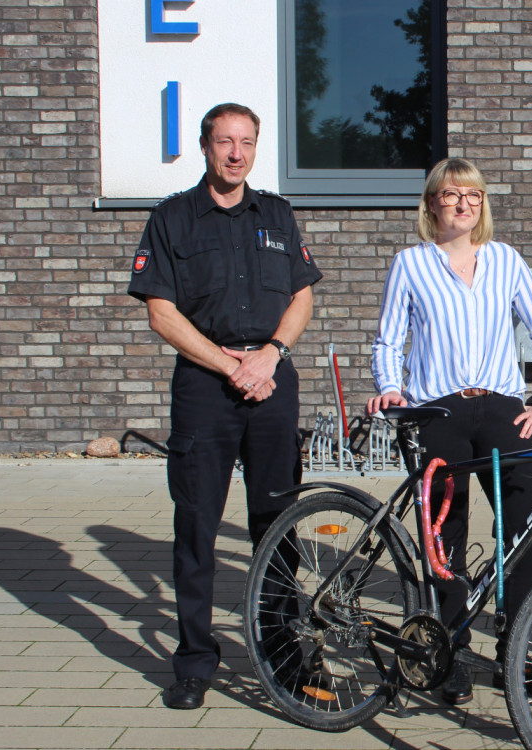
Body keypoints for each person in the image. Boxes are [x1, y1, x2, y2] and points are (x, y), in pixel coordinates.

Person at [127, 103, 322, 710]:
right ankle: (194, 661)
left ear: (256, 147)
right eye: (224, 141)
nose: (236, 153)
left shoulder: (278, 214)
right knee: (196, 528)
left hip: (271, 385)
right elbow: (161, 312)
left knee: (277, 525)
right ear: (205, 146)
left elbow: (302, 298)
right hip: (205, 389)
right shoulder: (172, 218)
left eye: (246, 142)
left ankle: (282, 651)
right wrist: (230, 364)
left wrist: (269, 356)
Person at [368, 157, 532, 706]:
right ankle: (448, 651)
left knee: (527, 524)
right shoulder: (411, 264)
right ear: (432, 203)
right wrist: (390, 387)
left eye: (473, 195)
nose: (463, 204)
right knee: (445, 532)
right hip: (438, 412)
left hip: (503, 408)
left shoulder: (504, 259)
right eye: (452, 194)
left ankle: (515, 653)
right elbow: (388, 340)